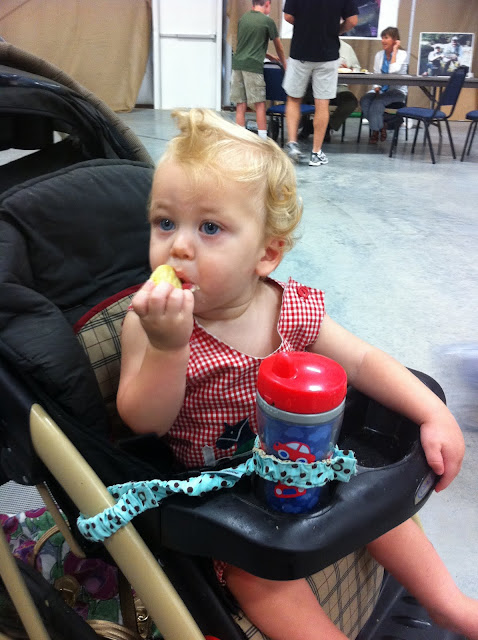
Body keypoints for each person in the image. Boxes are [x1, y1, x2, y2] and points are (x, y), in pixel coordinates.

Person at [117, 108, 478, 640]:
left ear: (266, 254)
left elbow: (362, 361)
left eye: (210, 227)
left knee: (381, 511)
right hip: (223, 495)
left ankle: (448, 604)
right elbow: (142, 420)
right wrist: (168, 347)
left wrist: (433, 412)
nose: (179, 246)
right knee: (256, 575)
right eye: (165, 222)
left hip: (303, 464)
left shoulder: (290, 308)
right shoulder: (147, 323)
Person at [281, 0, 359, 167]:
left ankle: (292, 145)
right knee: (322, 103)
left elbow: (288, 16)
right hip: (328, 53)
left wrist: (305, 26)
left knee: (294, 99)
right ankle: (316, 153)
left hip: (300, 50)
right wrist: (335, 30)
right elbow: (352, 21)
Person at [230, 0, 287, 140]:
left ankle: (240, 139)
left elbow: (246, 45)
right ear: (267, 3)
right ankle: (263, 140)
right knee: (260, 104)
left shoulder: (243, 19)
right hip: (253, 67)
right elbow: (279, 46)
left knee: (240, 104)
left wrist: (268, 55)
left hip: (237, 65)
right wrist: (285, 64)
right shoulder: (267, 22)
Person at [298, 39, 361, 142]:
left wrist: (349, 70)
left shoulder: (346, 48)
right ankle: (304, 125)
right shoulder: (313, 45)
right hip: (315, 85)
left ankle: (325, 126)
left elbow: (356, 68)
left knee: (350, 101)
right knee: (300, 96)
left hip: (338, 87)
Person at [359, 27, 408, 145]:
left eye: (386, 38)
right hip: (382, 89)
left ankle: (375, 131)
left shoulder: (402, 54)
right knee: (365, 100)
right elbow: (376, 73)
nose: (383, 41)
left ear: (395, 40)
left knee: (377, 103)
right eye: (382, 38)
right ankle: (381, 126)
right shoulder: (379, 55)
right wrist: (376, 86)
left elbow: (393, 71)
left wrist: (395, 51)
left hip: (397, 91)